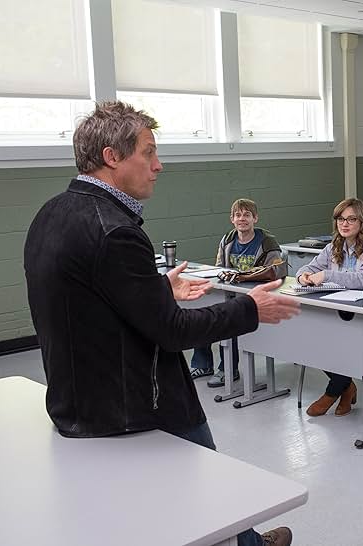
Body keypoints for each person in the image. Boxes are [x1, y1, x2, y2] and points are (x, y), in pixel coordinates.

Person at [23, 101, 300, 546]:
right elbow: (172, 331)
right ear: (112, 157)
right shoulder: (116, 231)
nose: (159, 165)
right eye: (148, 153)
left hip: (78, 399)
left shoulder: (51, 214)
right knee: (209, 486)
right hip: (136, 404)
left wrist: (155, 290)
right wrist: (251, 309)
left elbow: (84, 299)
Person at [296, 198, 363, 416]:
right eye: (340, 219)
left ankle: (333, 391)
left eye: (351, 219)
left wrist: (327, 275)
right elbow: (307, 267)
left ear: (362, 221)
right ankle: (347, 387)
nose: (344, 224)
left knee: (333, 339)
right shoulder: (333, 246)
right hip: (338, 310)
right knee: (309, 338)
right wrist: (303, 277)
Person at [190, 198, 287, 388]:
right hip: (231, 293)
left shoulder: (267, 241)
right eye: (238, 215)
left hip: (256, 297)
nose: (242, 219)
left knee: (231, 321)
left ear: (255, 218)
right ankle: (202, 365)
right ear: (232, 219)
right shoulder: (227, 240)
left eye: (247, 215)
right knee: (201, 315)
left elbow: (278, 272)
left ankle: (228, 369)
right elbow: (219, 269)